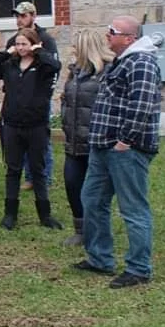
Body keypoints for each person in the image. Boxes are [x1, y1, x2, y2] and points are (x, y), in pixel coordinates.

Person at [75, 16, 161, 289]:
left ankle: (138, 269)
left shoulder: (141, 62)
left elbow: (142, 105)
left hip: (126, 149)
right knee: (91, 200)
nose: (107, 35)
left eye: (112, 32)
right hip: (103, 146)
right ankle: (100, 258)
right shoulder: (122, 61)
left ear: (129, 38)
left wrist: (126, 141)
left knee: (133, 208)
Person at [0, 27, 63, 230]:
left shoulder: (42, 65)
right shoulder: (9, 65)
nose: (20, 47)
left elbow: (55, 66)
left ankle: (45, 214)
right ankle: (10, 214)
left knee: (38, 170)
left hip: (36, 126)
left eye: (24, 43)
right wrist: (5, 53)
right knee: (13, 169)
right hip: (12, 125)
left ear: (33, 44)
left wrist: (39, 51)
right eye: (17, 44)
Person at [60, 29, 114, 247]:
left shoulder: (106, 72)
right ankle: (81, 230)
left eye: (75, 45)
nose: (72, 49)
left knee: (95, 193)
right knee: (72, 183)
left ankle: (98, 233)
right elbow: (67, 100)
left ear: (84, 47)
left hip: (95, 141)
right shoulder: (74, 73)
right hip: (73, 141)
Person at [7, 2, 59, 191]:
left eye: (23, 16)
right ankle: (29, 177)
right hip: (18, 102)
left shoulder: (45, 39)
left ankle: (43, 177)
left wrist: (47, 94)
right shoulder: (14, 41)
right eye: (17, 16)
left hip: (39, 100)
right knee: (21, 140)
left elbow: (54, 67)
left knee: (41, 141)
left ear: (33, 16)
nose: (19, 20)